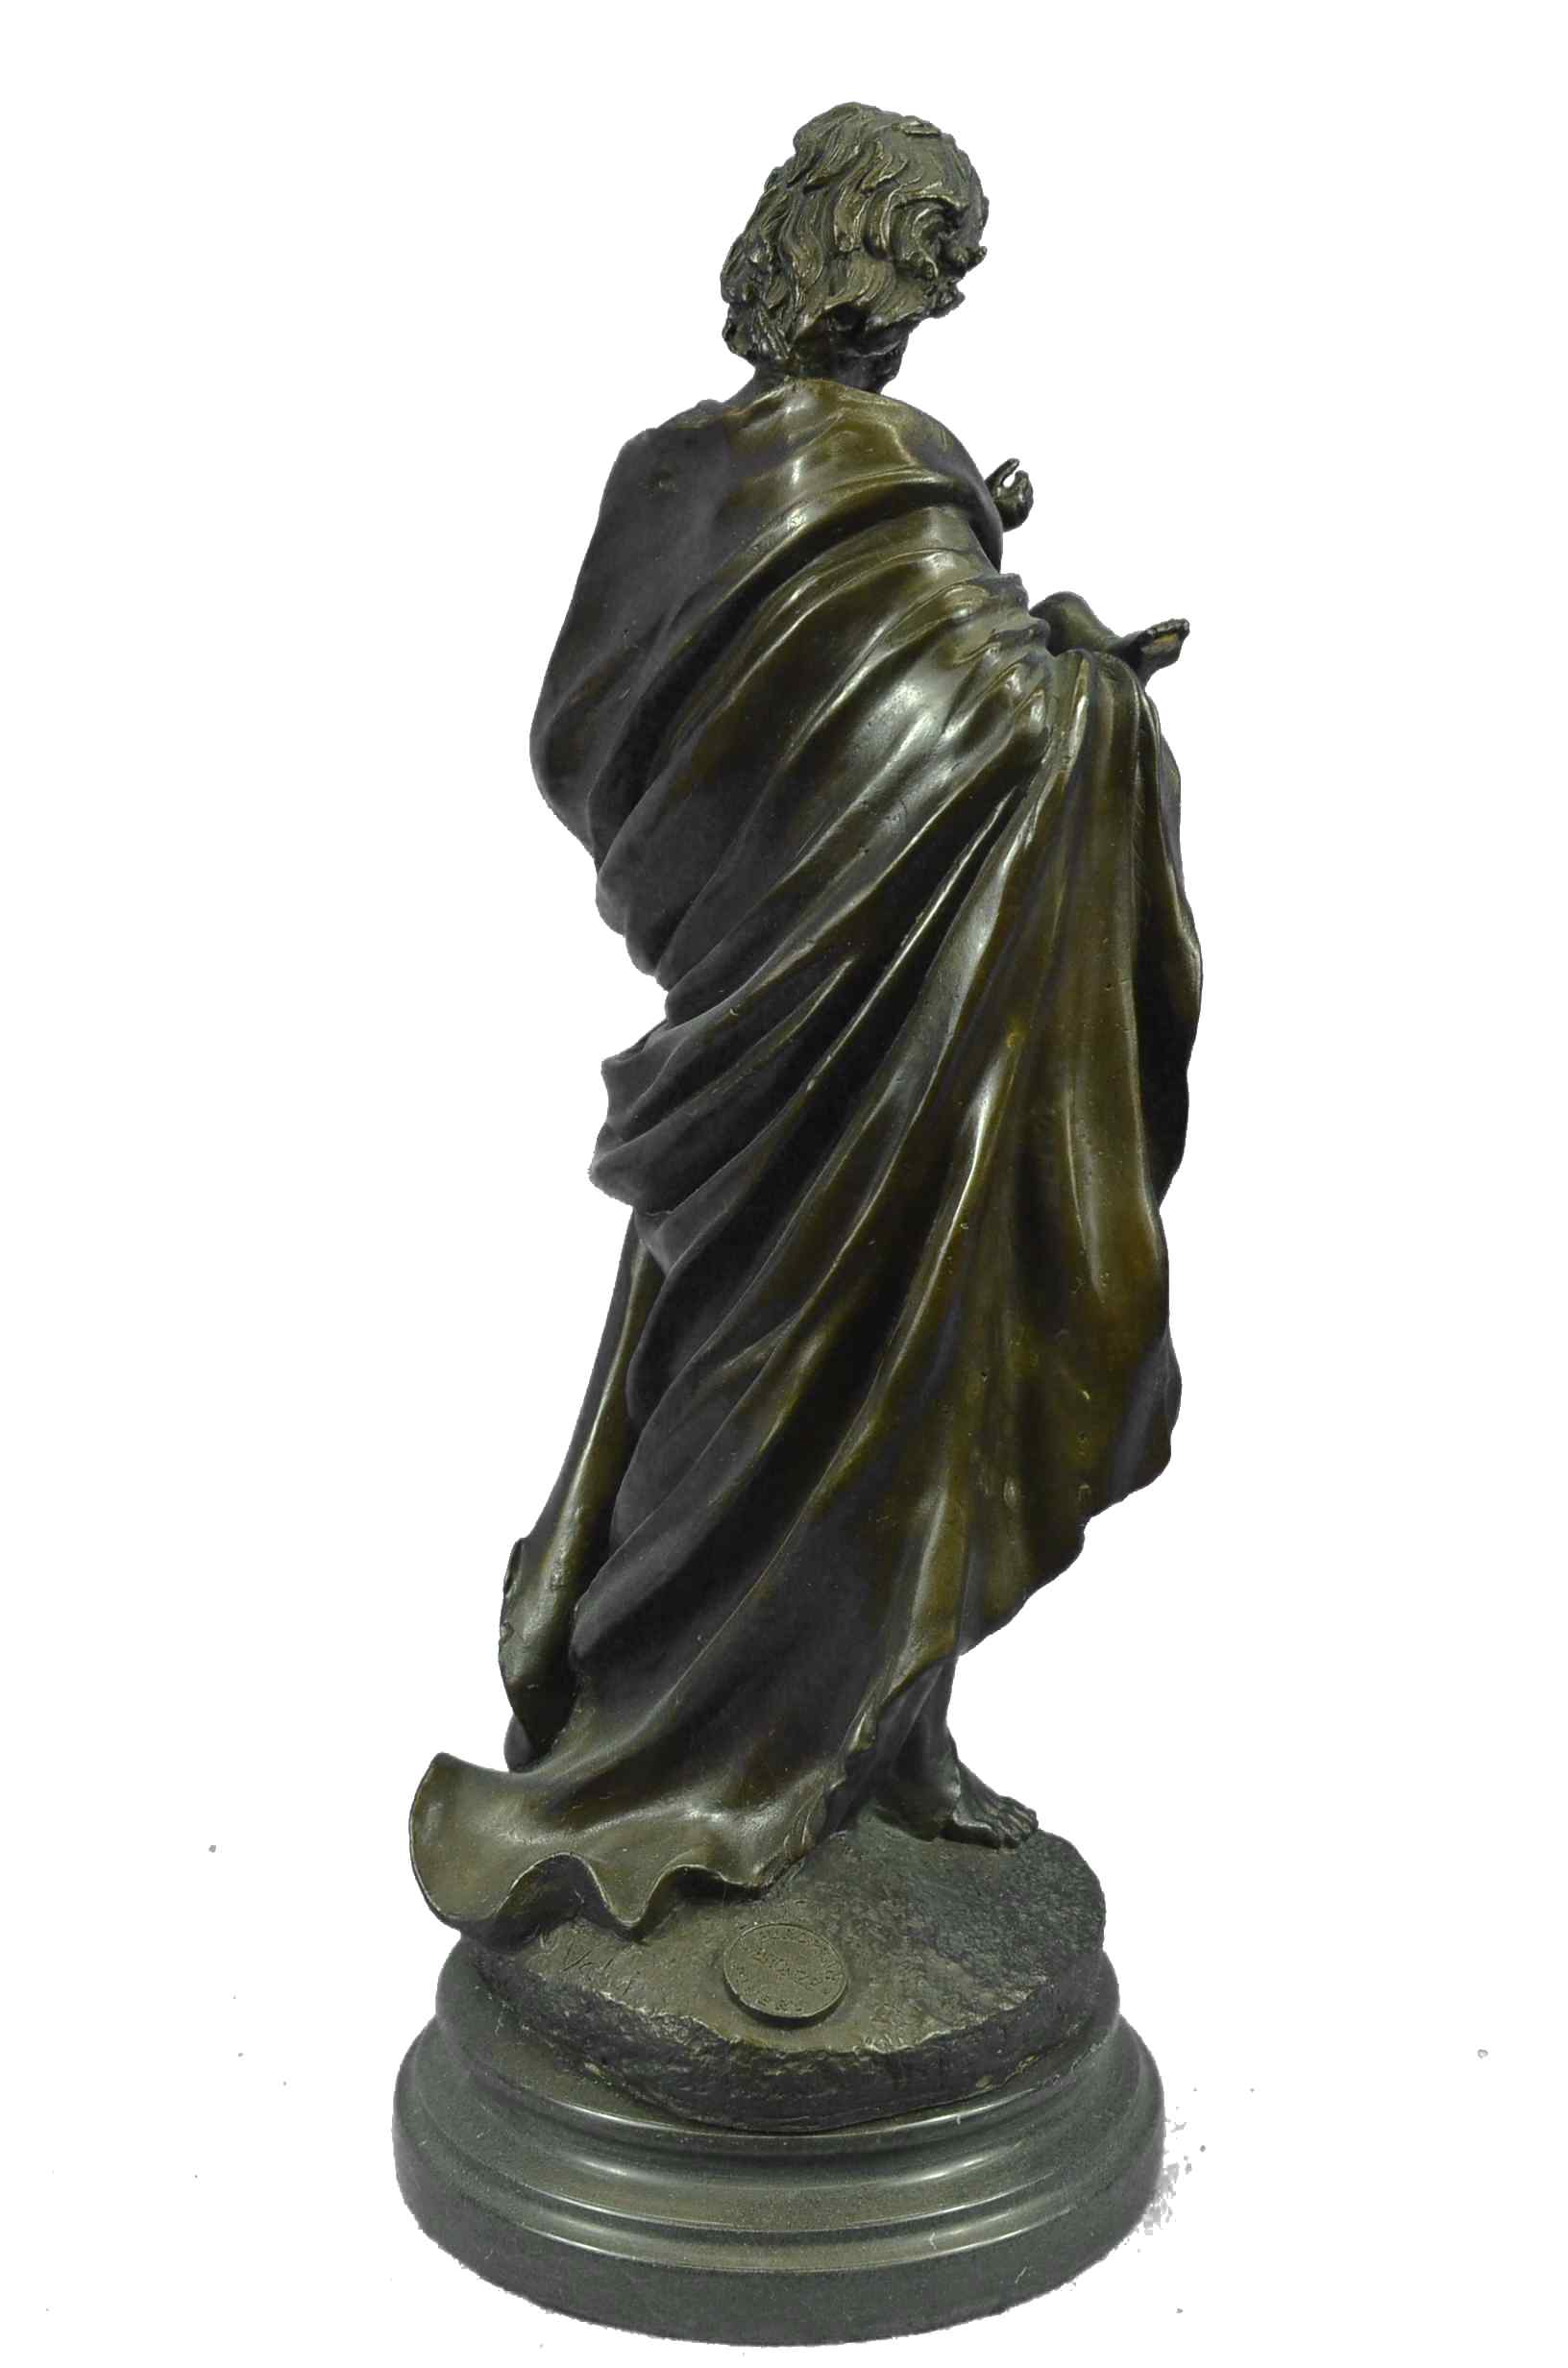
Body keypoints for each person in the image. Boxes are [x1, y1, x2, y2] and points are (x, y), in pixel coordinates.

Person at [411, 104, 1202, 1944]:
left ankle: (882, 1737)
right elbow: (645, 736)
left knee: (927, 1367)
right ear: (856, 243)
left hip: (909, 1001)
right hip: (812, 1021)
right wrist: (1074, 691)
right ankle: (671, 1738)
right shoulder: (832, 475)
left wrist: (1034, 659)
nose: (952, 291)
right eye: (937, 247)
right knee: (777, 1374)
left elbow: (720, 718)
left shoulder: (764, 477)